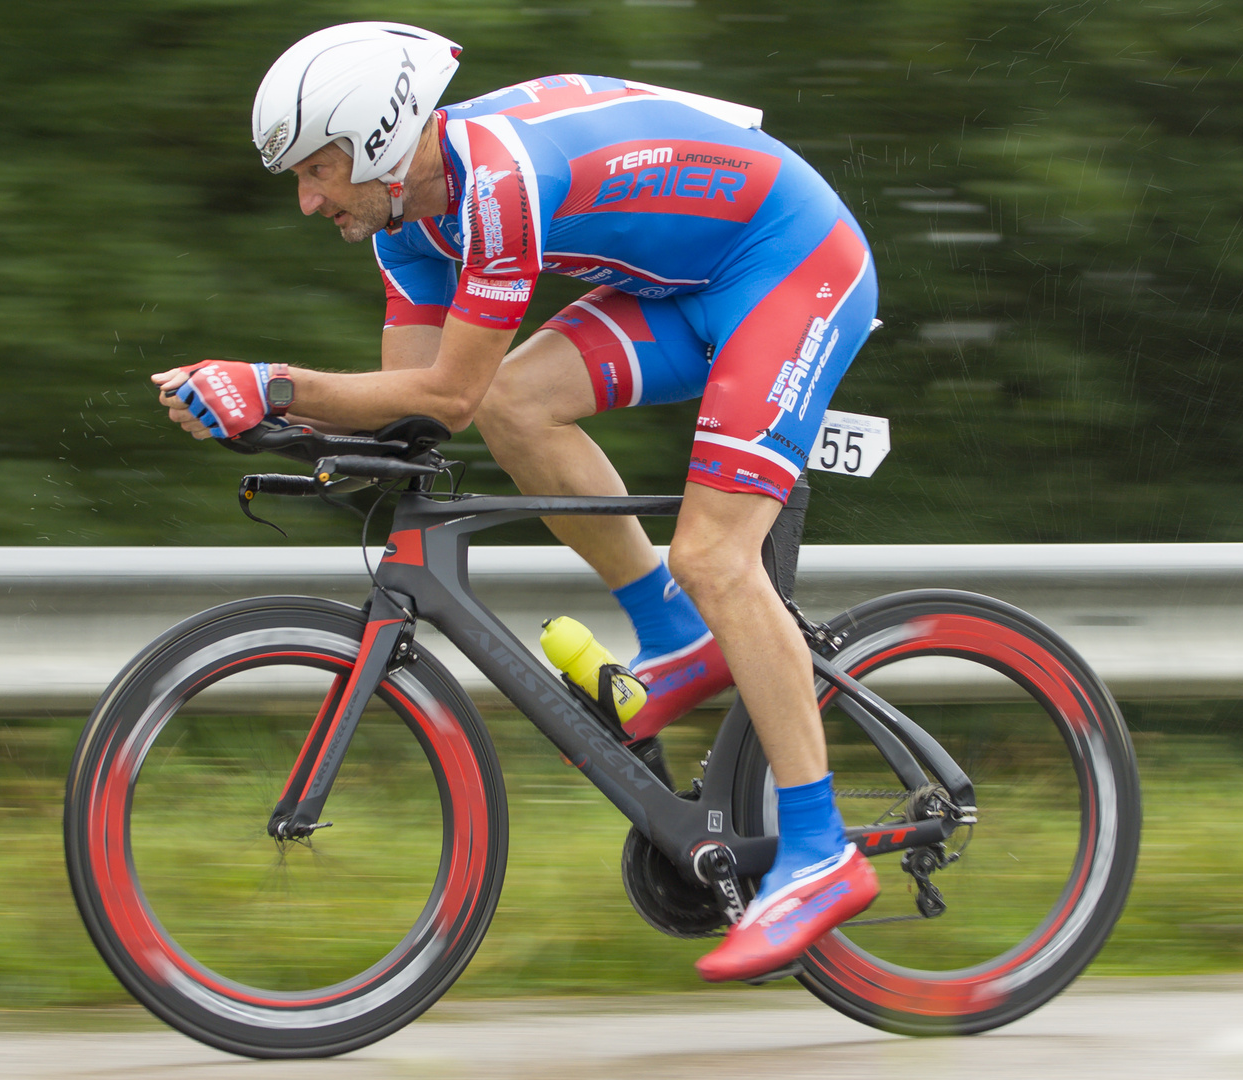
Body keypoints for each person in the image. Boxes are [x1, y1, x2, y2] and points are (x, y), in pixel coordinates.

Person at [153, 21, 879, 983]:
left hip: (790, 264)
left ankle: (821, 851)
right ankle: (675, 637)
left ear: (375, 139)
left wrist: (276, 383)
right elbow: (415, 413)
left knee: (714, 556)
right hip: (689, 281)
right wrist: (259, 421)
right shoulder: (407, 225)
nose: (307, 200)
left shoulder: (498, 188)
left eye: (316, 170)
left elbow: (438, 394)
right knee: (515, 402)